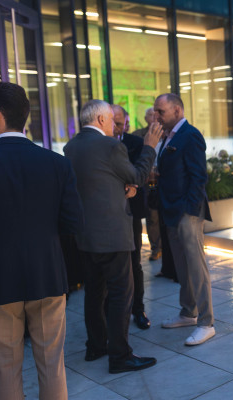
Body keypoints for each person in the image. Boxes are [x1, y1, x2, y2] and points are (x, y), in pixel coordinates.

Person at [0, 82, 83, 400]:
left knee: (5, 366)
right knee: (52, 365)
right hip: (47, 275)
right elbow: (74, 223)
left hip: (1, 281)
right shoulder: (56, 163)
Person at [64, 99, 161, 374]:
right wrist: (150, 147)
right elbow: (138, 175)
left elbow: (95, 182)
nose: (114, 126)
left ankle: (96, 346)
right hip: (112, 235)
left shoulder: (71, 147)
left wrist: (122, 186)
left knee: (94, 293)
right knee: (120, 294)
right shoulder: (110, 146)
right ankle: (120, 356)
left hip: (85, 236)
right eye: (111, 119)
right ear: (101, 120)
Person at [155, 93, 215, 346]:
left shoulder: (190, 135)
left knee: (196, 267)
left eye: (161, 111)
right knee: (181, 266)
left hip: (186, 212)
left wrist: (189, 211)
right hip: (171, 211)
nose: (156, 116)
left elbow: (198, 176)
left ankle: (206, 322)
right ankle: (188, 312)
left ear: (177, 110)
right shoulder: (167, 136)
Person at [113, 105, 151, 330]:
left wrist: (134, 185)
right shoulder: (102, 144)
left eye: (120, 123)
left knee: (135, 262)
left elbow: (139, 174)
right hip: (109, 213)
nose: (117, 128)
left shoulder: (136, 143)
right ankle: (116, 313)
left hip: (131, 211)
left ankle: (138, 308)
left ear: (126, 123)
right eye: (114, 123)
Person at [132, 107, 162, 261]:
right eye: (150, 115)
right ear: (145, 118)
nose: (154, 117)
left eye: (156, 114)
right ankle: (156, 248)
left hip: (164, 179)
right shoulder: (138, 135)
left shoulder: (167, 132)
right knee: (152, 215)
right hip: (148, 180)